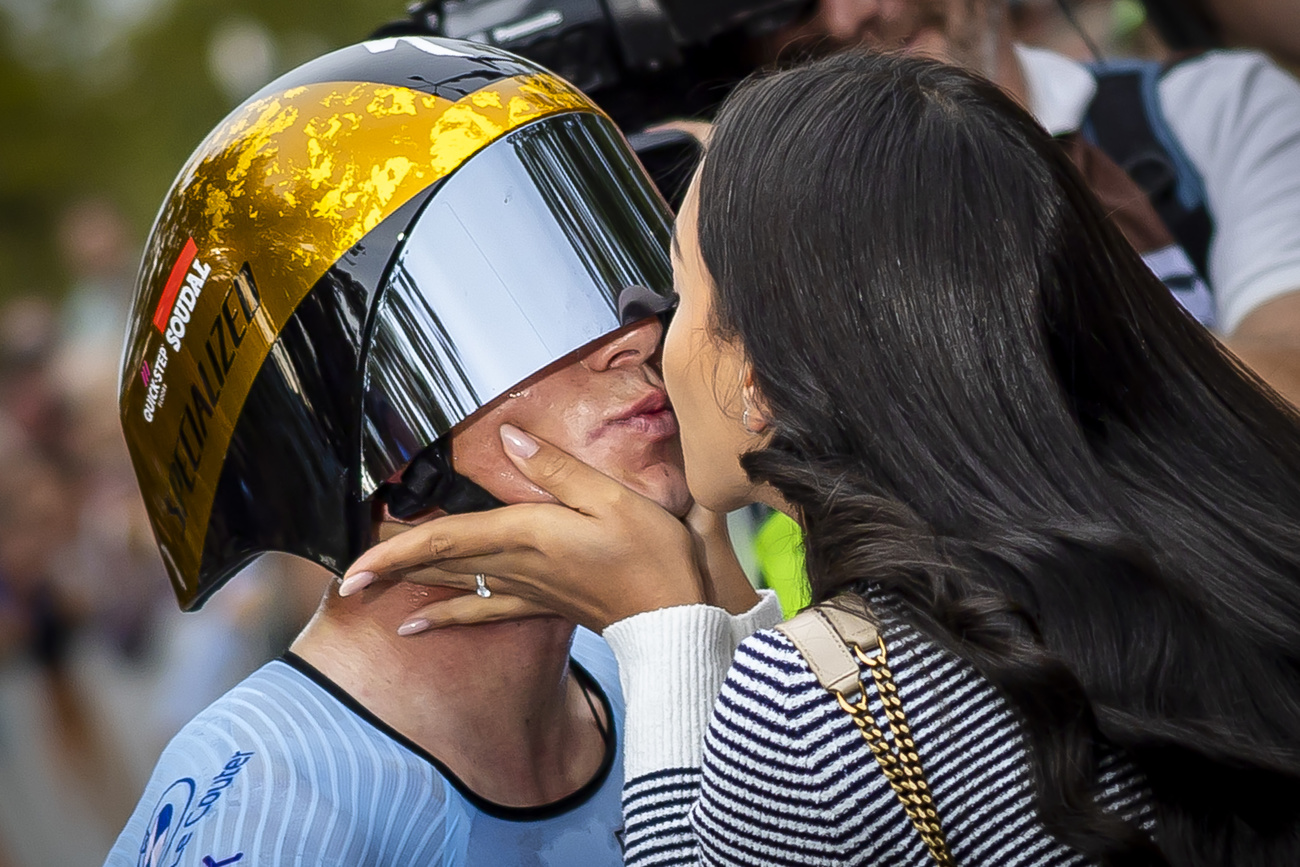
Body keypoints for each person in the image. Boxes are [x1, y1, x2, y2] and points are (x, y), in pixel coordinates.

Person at [345, 51, 1300, 865]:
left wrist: (664, 631)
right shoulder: (1226, 514)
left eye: (676, 292)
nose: (645, 342)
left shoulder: (814, 715)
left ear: (763, 372)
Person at [106, 34, 774, 866]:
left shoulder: (650, 647)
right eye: (531, 303)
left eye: (620, 264)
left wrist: (717, 625)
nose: (636, 332)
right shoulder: (268, 806)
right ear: (362, 428)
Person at [741, 0, 1300, 406]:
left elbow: (1288, 379)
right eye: (791, 5)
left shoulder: (1212, 108)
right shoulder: (804, 246)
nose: (847, 17)